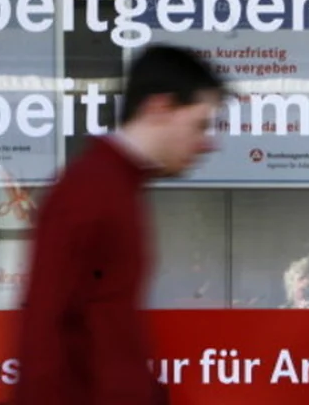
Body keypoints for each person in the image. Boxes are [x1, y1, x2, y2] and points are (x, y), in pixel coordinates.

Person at [12, 45, 227, 405]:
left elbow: (111, 331)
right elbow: (44, 334)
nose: (208, 143)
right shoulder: (92, 191)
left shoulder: (116, 188)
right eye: (200, 124)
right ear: (160, 108)